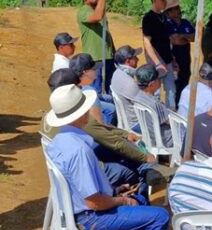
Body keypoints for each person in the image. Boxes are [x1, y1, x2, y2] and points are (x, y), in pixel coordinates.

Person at [45, 84, 170, 230]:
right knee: (160, 217)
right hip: (90, 216)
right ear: (81, 113)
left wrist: (115, 191)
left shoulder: (60, 140)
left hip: (78, 209)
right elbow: (94, 202)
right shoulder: (79, 151)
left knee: (139, 200)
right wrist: (121, 200)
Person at [45, 69, 171, 199]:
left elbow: (99, 128)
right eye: (78, 87)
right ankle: (141, 198)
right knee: (132, 167)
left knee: (125, 149)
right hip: (89, 168)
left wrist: (124, 134)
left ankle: (148, 170)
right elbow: (114, 143)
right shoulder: (78, 119)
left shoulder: (59, 113)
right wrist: (145, 157)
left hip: (74, 164)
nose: (81, 88)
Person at [142, 0, 177, 109]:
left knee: (171, 90)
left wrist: (172, 58)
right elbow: (146, 41)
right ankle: (155, 115)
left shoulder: (164, 17)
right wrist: (157, 63)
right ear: (154, 0)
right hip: (155, 62)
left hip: (167, 60)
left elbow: (167, 40)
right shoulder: (148, 18)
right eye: (162, 0)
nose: (165, 2)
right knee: (155, 92)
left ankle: (170, 114)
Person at [77, 0, 115, 93]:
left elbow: (106, 32)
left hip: (108, 56)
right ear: (86, 0)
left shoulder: (99, 9)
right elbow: (97, 17)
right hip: (95, 58)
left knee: (111, 89)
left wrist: (113, 51)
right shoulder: (83, 11)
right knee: (96, 90)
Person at [70, 53, 116, 125]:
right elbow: (99, 124)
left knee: (110, 106)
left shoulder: (73, 87)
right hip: (95, 129)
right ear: (85, 72)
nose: (96, 70)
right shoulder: (89, 92)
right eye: (94, 69)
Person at [134, 64, 173, 148]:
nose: (160, 80)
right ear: (151, 84)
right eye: (158, 78)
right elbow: (170, 121)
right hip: (165, 140)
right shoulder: (155, 103)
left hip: (149, 138)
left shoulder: (138, 97)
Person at [165, 0, 195, 106]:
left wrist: (182, 36)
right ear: (169, 12)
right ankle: (174, 106)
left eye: (178, 8)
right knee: (175, 83)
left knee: (185, 79)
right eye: (176, 8)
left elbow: (194, 37)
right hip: (174, 58)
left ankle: (181, 104)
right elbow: (175, 40)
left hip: (186, 58)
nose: (179, 10)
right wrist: (185, 37)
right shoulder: (167, 24)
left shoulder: (185, 22)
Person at [110, 45, 142, 129]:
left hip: (126, 121)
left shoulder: (116, 73)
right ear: (128, 61)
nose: (138, 59)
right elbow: (148, 105)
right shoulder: (130, 83)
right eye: (135, 57)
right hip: (137, 124)